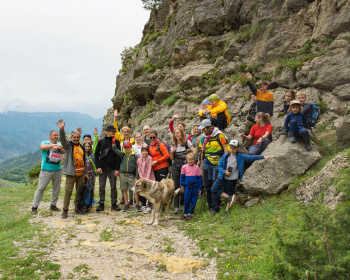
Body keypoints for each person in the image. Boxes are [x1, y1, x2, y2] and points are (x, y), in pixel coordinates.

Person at [211, 140, 271, 215]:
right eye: (230, 148)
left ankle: (227, 211)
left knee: (228, 192)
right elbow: (219, 166)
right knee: (214, 189)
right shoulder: (225, 156)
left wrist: (263, 157)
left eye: (233, 148)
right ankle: (228, 197)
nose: (232, 150)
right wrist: (224, 172)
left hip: (231, 180)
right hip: (222, 177)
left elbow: (251, 157)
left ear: (238, 148)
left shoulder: (240, 157)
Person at [57, 120, 88, 218]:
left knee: (79, 191)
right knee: (68, 191)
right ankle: (65, 210)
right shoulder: (68, 146)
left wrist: (86, 172)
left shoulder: (82, 147)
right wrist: (61, 129)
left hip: (81, 172)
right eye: (74, 137)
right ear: (71, 138)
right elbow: (62, 139)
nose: (76, 138)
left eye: (78, 137)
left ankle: (77, 207)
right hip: (71, 173)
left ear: (79, 138)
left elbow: (85, 159)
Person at [198, 118, 228, 215]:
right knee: (208, 185)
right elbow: (202, 151)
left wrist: (225, 162)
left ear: (209, 127)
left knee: (215, 185)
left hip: (217, 165)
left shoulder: (219, 135)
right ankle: (210, 206)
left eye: (204, 129)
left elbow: (225, 148)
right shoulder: (203, 137)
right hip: (207, 164)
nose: (203, 131)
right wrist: (202, 164)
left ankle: (216, 207)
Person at [31, 130, 65, 214]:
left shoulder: (60, 144)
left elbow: (64, 152)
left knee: (56, 188)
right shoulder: (45, 142)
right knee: (41, 188)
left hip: (57, 169)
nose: (56, 137)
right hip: (46, 170)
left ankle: (53, 205)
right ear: (50, 136)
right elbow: (42, 147)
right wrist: (53, 146)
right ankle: (35, 206)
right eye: (54, 135)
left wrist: (59, 147)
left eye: (57, 135)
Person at [94, 125, 121, 212]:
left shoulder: (116, 142)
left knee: (113, 187)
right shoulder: (101, 142)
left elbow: (119, 156)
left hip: (113, 168)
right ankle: (101, 204)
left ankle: (114, 204)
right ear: (107, 131)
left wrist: (117, 169)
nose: (113, 133)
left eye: (114, 131)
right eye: (112, 131)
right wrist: (98, 167)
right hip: (102, 168)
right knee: (102, 187)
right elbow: (96, 154)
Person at [170, 128, 197, 214]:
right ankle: (176, 206)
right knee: (176, 186)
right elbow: (172, 158)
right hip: (176, 167)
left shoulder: (187, 143)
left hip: (185, 167)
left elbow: (194, 151)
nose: (177, 135)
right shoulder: (174, 144)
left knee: (184, 186)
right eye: (175, 133)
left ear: (182, 133)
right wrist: (171, 152)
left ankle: (182, 204)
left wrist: (197, 148)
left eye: (178, 133)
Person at [112, 141, 140, 212]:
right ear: (124, 148)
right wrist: (113, 141)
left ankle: (137, 204)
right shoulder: (123, 154)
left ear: (131, 147)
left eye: (128, 147)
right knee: (124, 189)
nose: (127, 149)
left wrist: (136, 177)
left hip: (131, 175)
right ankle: (126, 204)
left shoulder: (135, 156)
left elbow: (137, 167)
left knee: (135, 190)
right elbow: (115, 149)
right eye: (125, 147)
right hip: (123, 174)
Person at [179, 152, 203, 220]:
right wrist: (182, 186)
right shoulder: (184, 167)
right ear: (187, 159)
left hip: (195, 187)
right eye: (189, 159)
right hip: (187, 187)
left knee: (193, 200)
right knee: (186, 200)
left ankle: (191, 213)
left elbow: (200, 178)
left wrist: (200, 188)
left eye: (192, 159)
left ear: (194, 159)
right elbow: (182, 178)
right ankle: (185, 212)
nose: (190, 161)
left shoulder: (197, 168)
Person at [137, 146, 155, 212]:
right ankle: (143, 204)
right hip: (142, 178)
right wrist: (141, 177)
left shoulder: (150, 158)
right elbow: (139, 169)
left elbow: (149, 169)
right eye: (143, 151)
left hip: (149, 177)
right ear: (141, 152)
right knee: (143, 191)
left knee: (149, 191)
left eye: (146, 151)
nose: (145, 152)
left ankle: (149, 205)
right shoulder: (139, 159)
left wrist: (147, 178)